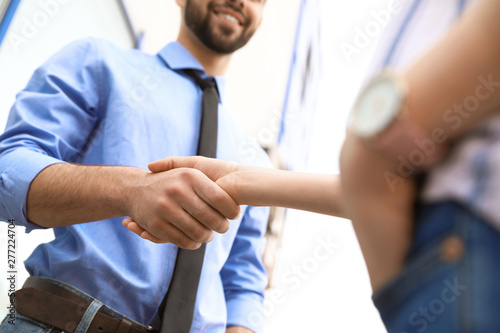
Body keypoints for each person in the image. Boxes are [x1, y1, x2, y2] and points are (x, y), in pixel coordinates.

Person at [125, 0, 500, 331]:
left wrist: (371, 157)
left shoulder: (248, 150)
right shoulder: (106, 63)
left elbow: (243, 280)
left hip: (464, 248)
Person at [0, 0, 270, 332]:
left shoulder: (256, 162)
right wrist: (131, 190)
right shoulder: (98, 62)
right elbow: (8, 171)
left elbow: (243, 282)